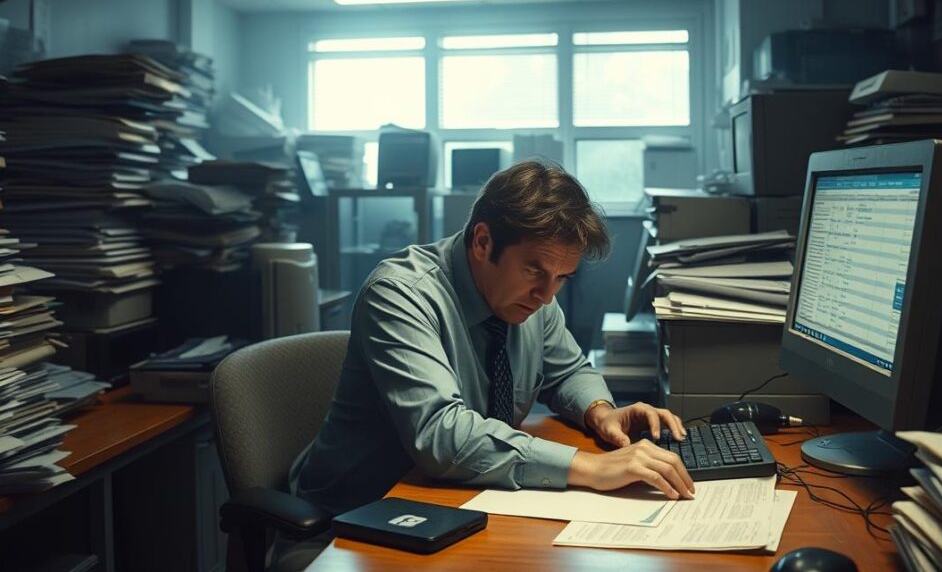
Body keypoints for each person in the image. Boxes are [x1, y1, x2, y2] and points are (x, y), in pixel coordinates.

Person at [290, 160, 694, 515]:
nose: (547, 295)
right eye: (535, 271)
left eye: (562, 279)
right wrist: (590, 468)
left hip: (458, 496)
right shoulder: (400, 294)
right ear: (483, 242)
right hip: (359, 511)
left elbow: (568, 370)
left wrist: (602, 412)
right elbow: (440, 434)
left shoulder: (533, 295)